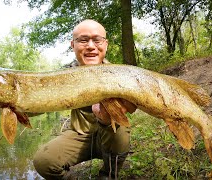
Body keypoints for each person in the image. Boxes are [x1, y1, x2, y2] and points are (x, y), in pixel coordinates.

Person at [33, 19, 137, 179]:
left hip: (109, 135)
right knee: (43, 161)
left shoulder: (120, 75)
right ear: (72, 45)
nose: (90, 46)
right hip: (78, 136)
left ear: (106, 44)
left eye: (97, 40)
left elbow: (134, 107)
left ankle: (108, 175)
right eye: (83, 40)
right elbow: (37, 105)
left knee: (119, 130)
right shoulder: (63, 76)